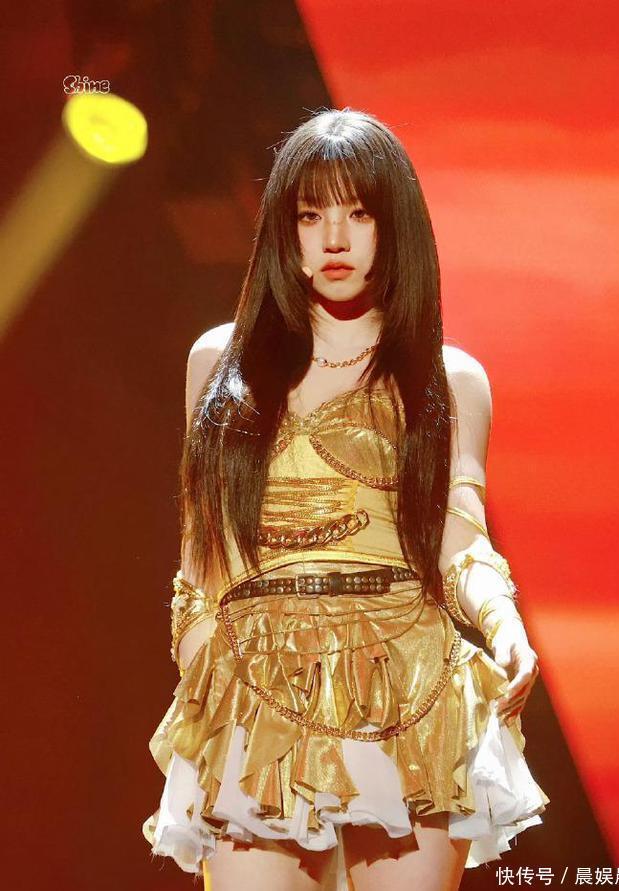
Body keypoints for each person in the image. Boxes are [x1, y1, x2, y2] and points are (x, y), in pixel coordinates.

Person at [142, 107, 549, 891]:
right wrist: (204, 662)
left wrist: (505, 625)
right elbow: (202, 555)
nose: (335, 238)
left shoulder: (448, 377)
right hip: (256, 688)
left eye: (359, 213)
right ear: (283, 230)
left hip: (409, 683)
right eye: (310, 215)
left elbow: (459, 537)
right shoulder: (219, 364)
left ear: (394, 226)